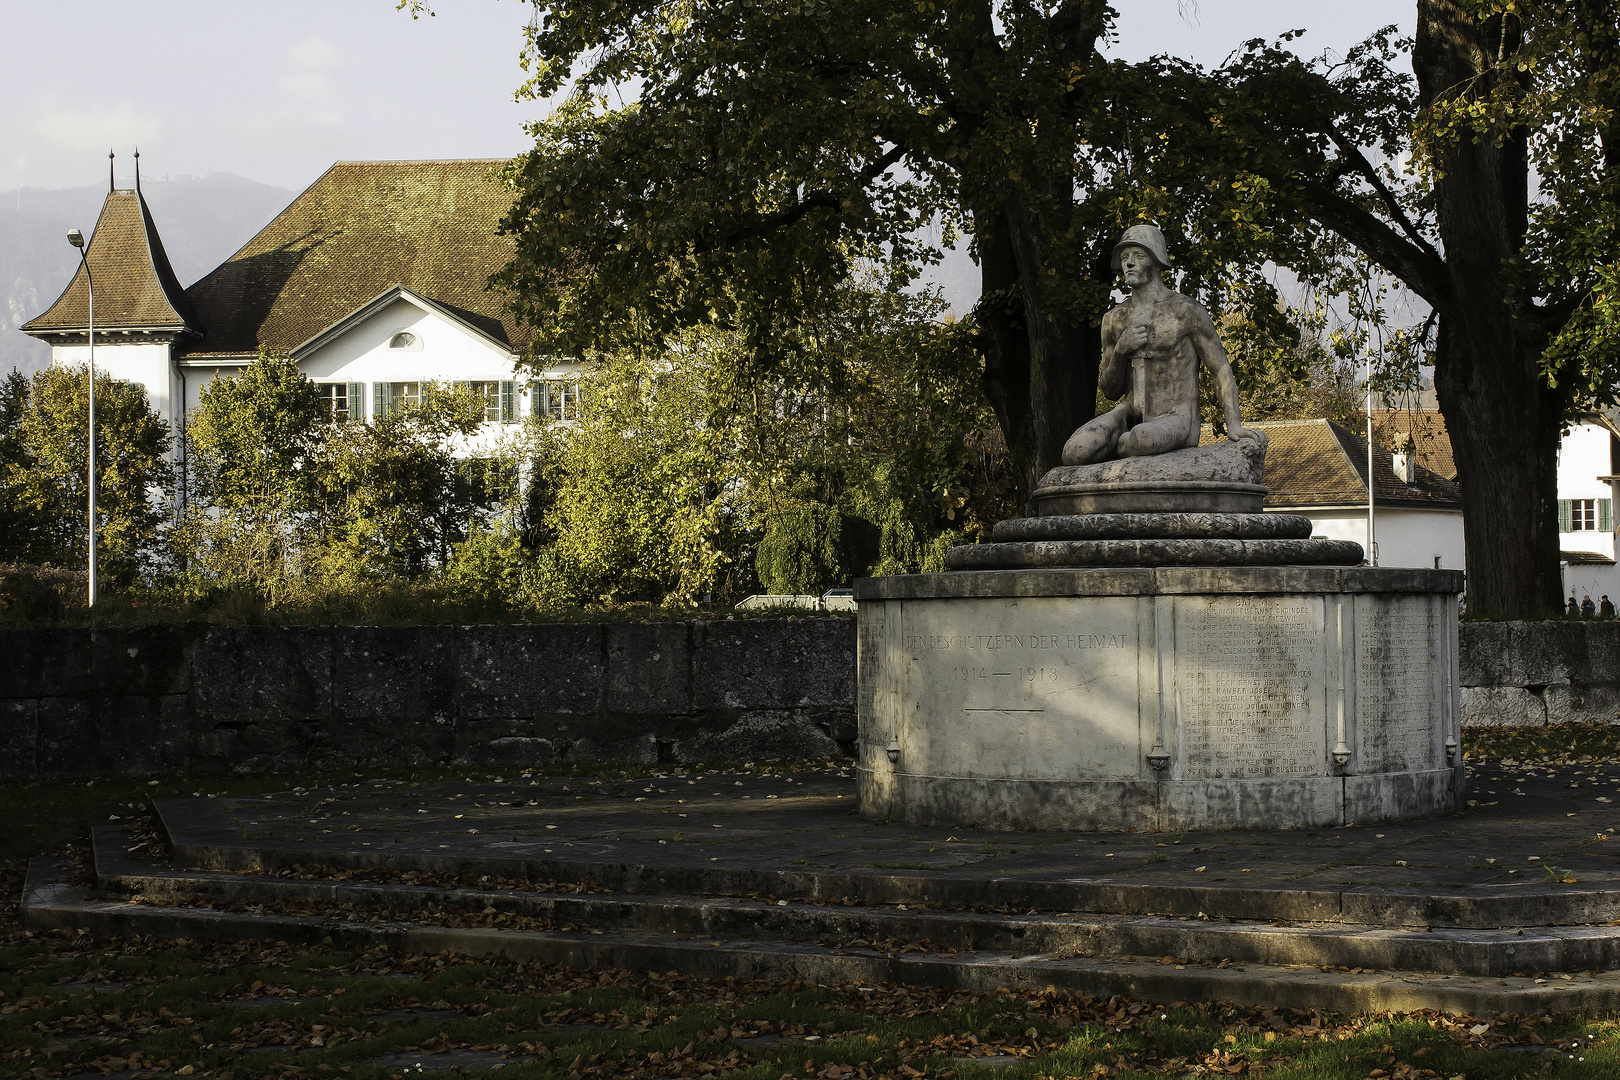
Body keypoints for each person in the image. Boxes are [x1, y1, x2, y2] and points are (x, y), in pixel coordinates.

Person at [1062, 224, 1263, 465]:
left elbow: (1219, 369)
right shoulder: (1114, 319)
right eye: (1125, 257)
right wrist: (1121, 351)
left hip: (1177, 415)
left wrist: (1234, 425)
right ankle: (1119, 443)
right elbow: (1110, 390)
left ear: (1156, 261)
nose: (1129, 263)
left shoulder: (1185, 311)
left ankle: (1117, 447)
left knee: (1142, 439)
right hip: (1130, 415)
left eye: (1138, 256)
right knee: (1074, 451)